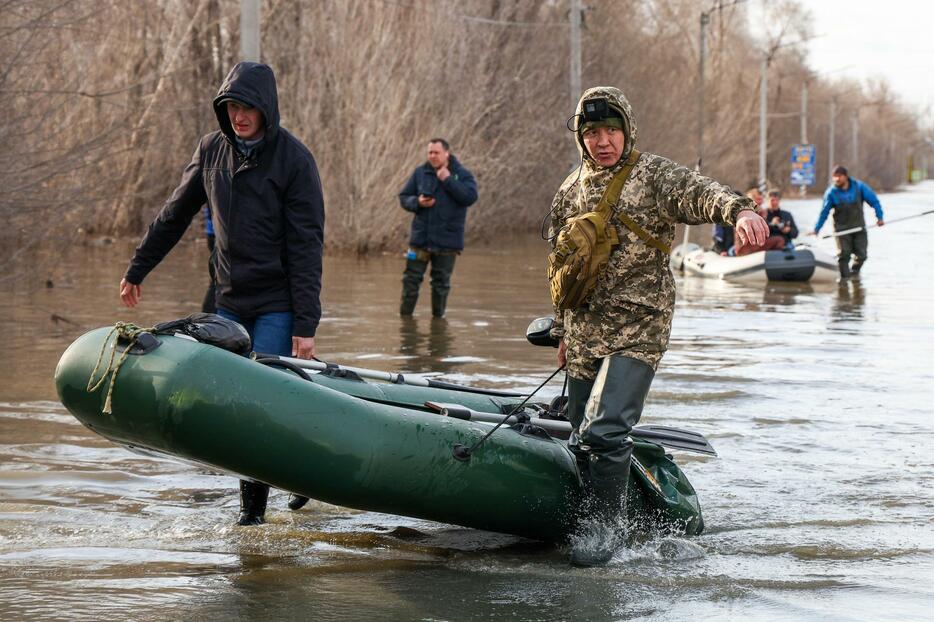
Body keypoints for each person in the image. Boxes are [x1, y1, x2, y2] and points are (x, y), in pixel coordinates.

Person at [549, 86, 768, 566]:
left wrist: (741, 210)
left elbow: (701, 192)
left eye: (611, 130)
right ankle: (608, 513)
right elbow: (560, 265)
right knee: (580, 436)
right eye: (592, 133)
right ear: (581, 138)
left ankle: (604, 533)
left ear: (627, 130)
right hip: (585, 330)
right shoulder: (568, 190)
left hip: (639, 327)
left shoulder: (651, 176)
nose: (602, 141)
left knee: (606, 430)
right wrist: (563, 332)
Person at [118, 62, 323, 526]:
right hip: (228, 301)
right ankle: (287, 484)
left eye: (248, 106)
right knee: (233, 405)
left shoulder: (294, 160)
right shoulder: (211, 151)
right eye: (231, 106)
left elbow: (307, 245)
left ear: (265, 108)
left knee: (262, 405)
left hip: (278, 305)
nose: (239, 115)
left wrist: (305, 324)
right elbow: (174, 214)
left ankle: (254, 515)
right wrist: (138, 268)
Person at [398, 138, 478, 318]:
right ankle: (405, 322)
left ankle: (438, 324)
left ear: (446, 153)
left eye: (436, 152)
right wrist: (417, 202)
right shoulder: (420, 172)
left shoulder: (461, 174)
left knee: (441, 285)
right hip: (420, 241)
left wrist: (448, 180)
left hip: (447, 242)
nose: (432, 156)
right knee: (410, 281)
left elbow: (470, 197)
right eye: (430, 153)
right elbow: (404, 197)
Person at [810, 165, 884, 279]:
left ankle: (854, 273)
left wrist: (879, 217)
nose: (836, 179)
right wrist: (816, 229)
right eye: (834, 177)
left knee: (862, 255)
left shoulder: (859, 187)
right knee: (844, 254)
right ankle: (844, 280)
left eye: (839, 176)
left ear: (845, 176)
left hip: (859, 227)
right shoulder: (831, 193)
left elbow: (874, 202)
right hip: (841, 229)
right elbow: (824, 213)